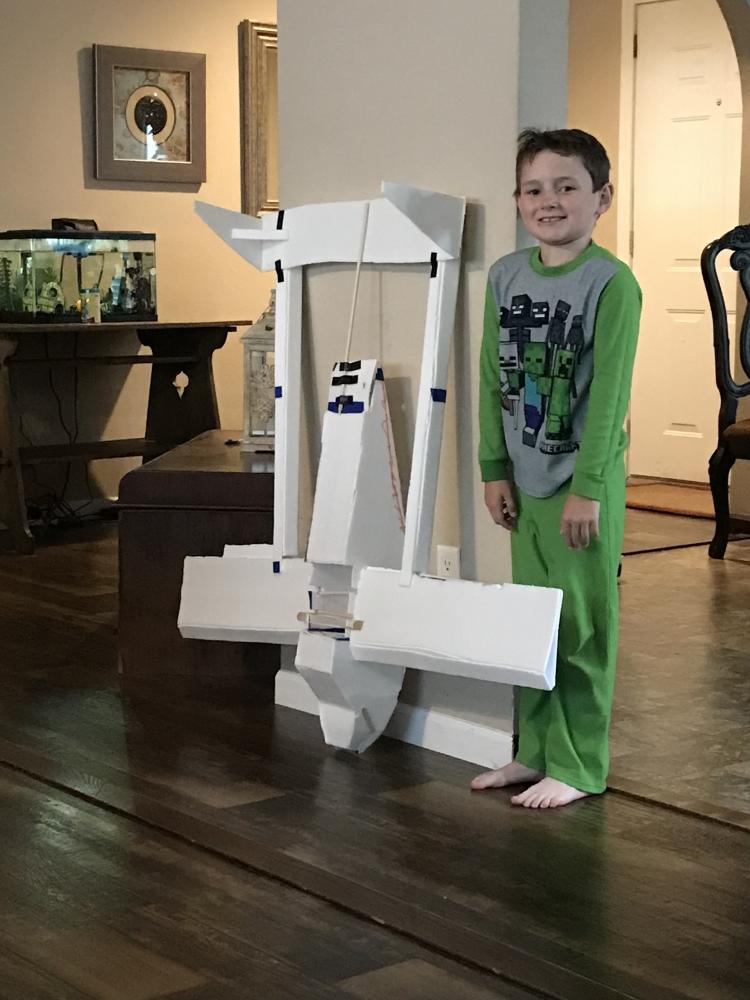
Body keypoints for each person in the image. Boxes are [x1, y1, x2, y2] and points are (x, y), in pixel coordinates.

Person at [471, 128, 641, 809]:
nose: (550, 200)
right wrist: (492, 467)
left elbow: (610, 399)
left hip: (581, 486)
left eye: (567, 187)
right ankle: (534, 752)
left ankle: (579, 764)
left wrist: (589, 490)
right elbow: (491, 376)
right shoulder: (505, 277)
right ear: (517, 202)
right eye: (534, 189)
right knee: (534, 626)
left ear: (601, 198)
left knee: (582, 627)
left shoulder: (612, 284)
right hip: (522, 479)